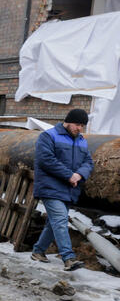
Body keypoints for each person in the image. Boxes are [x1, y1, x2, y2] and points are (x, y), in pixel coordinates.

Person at [31, 108, 94, 271]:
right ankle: (68, 257)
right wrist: (69, 175)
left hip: (69, 189)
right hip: (49, 187)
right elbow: (46, 160)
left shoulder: (81, 141)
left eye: (82, 126)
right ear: (67, 121)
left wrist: (79, 175)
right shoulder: (48, 136)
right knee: (60, 219)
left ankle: (38, 251)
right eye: (77, 124)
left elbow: (88, 162)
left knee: (54, 223)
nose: (79, 128)